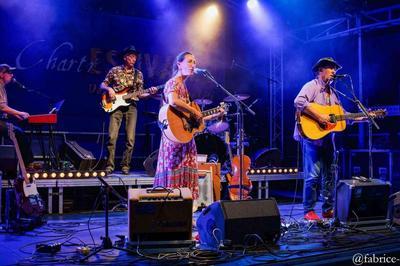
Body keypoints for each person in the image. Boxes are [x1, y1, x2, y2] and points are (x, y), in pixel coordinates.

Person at [153, 52, 223, 208]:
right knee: (173, 174)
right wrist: (194, 111)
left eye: (195, 62)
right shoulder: (173, 83)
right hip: (174, 142)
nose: (193, 65)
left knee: (186, 176)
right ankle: (169, 209)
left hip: (186, 141)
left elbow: (193, 121)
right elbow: (173, 101)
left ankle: (184, 212)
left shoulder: (184, 87)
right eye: (190, 61)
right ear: (179, 64)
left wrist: (214, 114)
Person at [293, 57, 343, 221]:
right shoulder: (311, 86)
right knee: (313, 175)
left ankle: (328, 209)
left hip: (328, 140)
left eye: (335, 69)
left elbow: (341, 115)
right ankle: (308, 210)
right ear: (320, 70)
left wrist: (364, 117)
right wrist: (320, 118)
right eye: (330, 68)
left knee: (330, 175)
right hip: (312, 138)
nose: (334, 71)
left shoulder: (333, 93)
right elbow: (299, 101)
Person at [101, 46, 157, 175]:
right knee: (111, 137)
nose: (134, 59)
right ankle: (109, 166)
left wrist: (150, 93)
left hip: (132, 107)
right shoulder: (115, 70)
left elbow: (140, 94)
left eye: (135, 57)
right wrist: (109, 89)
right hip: (115, 107)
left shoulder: (139, 74)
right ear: (125, 57)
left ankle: (125, 166)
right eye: (131, 56)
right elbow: (102, 84)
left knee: (130, 139)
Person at [0, 64, 34, 168]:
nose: (12, 75)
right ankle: (28, 165)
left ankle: (24, 165)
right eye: (9, 73)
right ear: (1, 74)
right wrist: (20, 113)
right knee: (19, 133)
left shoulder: (2, 87)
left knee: (19, 132)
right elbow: (2, 107)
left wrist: (15, 115)